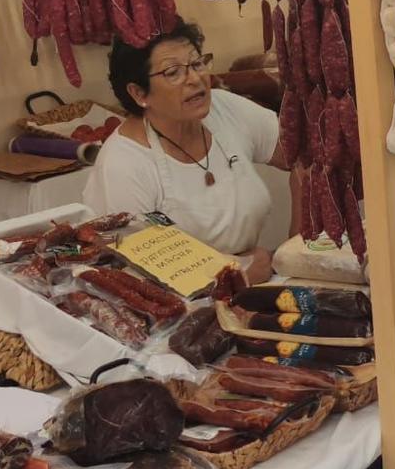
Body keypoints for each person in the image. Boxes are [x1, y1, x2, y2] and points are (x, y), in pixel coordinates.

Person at [86, 20, 281, 277]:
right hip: (178, 307)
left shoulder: (225, 109)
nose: (195, 79)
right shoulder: (123, 164)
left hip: (256, 285)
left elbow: (307, 159)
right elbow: (135, 272)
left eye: (197, 63)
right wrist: (237, 273)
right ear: (138, 93)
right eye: (173, 72)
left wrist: (300, 245)